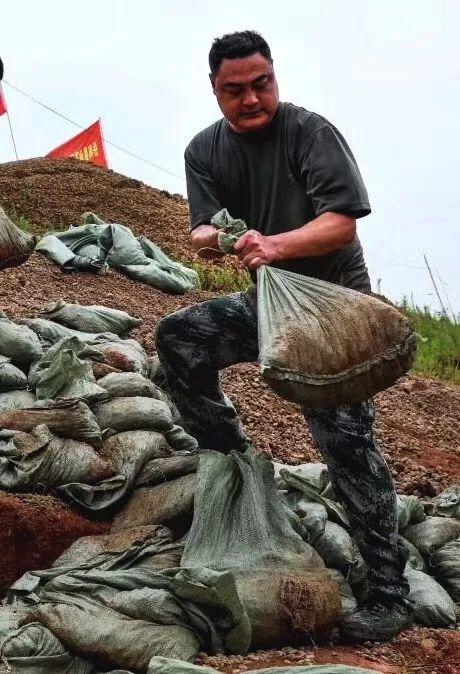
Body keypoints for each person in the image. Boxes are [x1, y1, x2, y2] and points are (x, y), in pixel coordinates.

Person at [156, 30, 412, 642]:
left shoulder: (309, 133)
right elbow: (198, 230)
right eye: (235, 89)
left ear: (275, 77)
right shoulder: (205, 150)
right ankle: (230, 449)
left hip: (332, 306)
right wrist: (222, 239)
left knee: (346, 443)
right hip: (269, 301)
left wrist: (273, 244)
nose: (251, 99)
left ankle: (388, 592)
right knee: (181, 338)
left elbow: (340, 223)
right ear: (214, 90)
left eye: (261, 84)